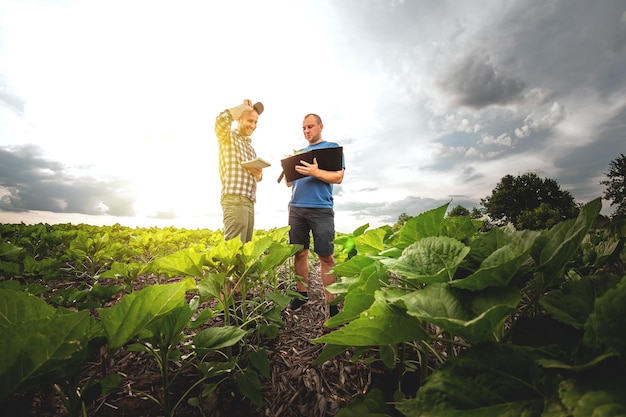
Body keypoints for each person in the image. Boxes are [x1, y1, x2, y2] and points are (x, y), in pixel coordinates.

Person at [285, 113, 345, 318]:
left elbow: (338, 177)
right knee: (299, 253)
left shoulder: (331, 148)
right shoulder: (299, 152)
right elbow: (289, 183)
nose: (306, 131)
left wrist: (315, 172)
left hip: (321, 209)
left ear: (320, 126)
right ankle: (301, 295)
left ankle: (332, 303)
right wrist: (287, 168)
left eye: (310, 126)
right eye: (303, 128)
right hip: (296, 207)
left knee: (326, 256)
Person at [215, 99, 265, 243]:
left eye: (255, 122)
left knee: (245, 252)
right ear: (239, 119)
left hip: (249, 202)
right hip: (235, 199)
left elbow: (256, 177)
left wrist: (259, 175)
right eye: (250, 121)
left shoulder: (250, 148)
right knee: (234, 251)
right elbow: (221, 120)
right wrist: (242, 107)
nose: (253, 125)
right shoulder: (228, 138)